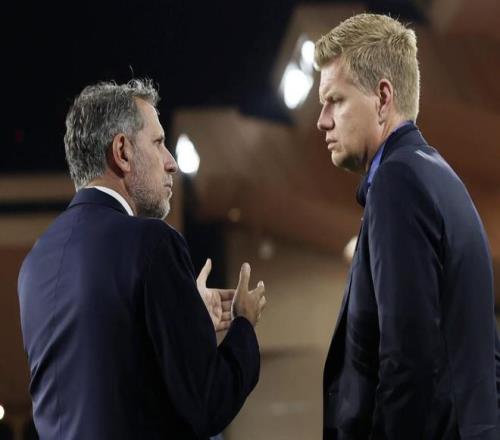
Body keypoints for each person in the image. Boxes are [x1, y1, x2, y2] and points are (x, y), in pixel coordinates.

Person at [17, 79, 266, 439]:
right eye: (159, 143)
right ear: (122, 151)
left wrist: (186, 319)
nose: (171, 163)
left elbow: (107, 371)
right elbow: (208, 403)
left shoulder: (34, 264)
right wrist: (243, 325)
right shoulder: (152, 242)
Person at [315, 13, 500, 439]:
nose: (322, 120)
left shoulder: (397, 182)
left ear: (383, 98)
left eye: (335, 100)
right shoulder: (437, 175)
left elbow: (407, 358)